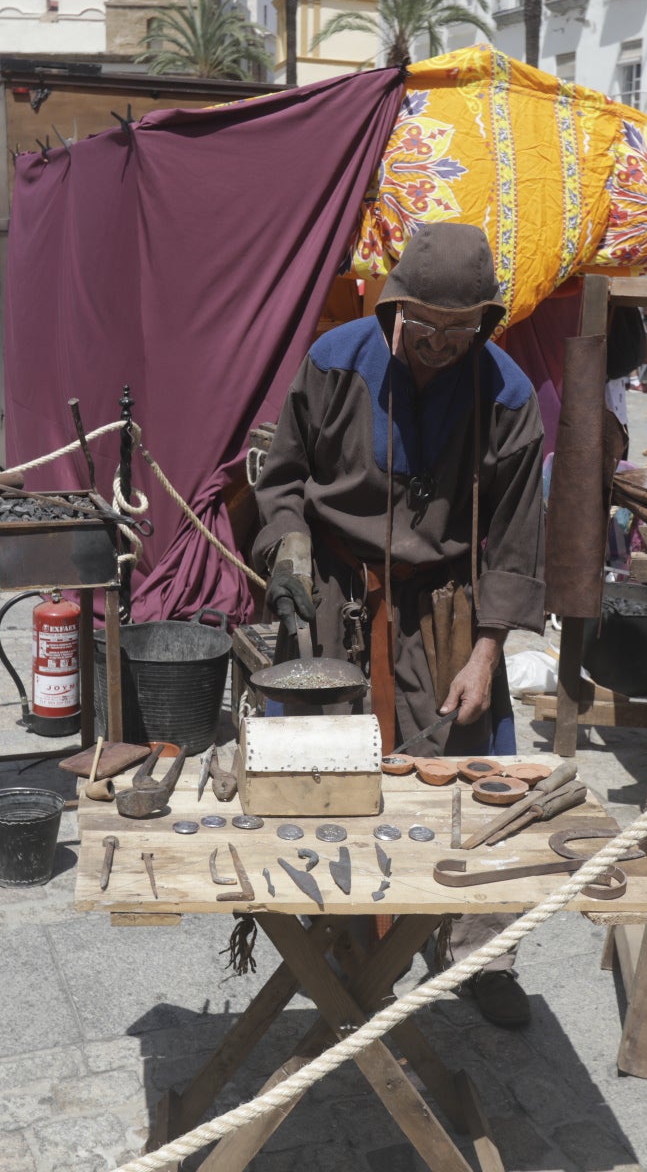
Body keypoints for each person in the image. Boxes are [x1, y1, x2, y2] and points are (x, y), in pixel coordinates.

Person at [254, 223, 545, 1030]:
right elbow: (281, 482)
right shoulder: (335, 360)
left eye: (462, 332)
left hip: (448, 609)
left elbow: (517, 538)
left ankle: (479, 951)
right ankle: (332, 936)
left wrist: (488, 653)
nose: (442, 347)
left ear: (484, 323)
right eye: (425, 328)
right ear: (395, 307)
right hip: (334, 596)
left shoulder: (507, 394)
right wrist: (291, 546)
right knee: (318, 773)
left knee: (474, 777)